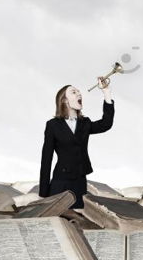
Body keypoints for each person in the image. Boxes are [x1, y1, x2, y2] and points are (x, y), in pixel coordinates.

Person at [39, 77, 115, 209]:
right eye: (74, 92)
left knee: (78, 220)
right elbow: (46, 158)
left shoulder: (85, 123)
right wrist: (43, 193)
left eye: (79, 92)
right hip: (60, 182)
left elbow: (106, 124)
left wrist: (106, 92)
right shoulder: (52, 125)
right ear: (64, 100)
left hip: (80, 181)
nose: (79, 93)